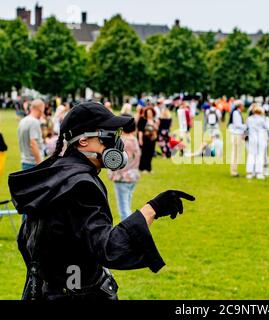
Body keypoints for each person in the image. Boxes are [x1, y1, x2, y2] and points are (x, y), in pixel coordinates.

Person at [8, 101, 195, 300]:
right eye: (108, 136)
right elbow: (109, 248)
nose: (116, 144)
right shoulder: (80, 185)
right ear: (83, 141)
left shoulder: (56, 174)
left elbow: (26, 241)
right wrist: (153, 208)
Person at [108, 118, 141, 221]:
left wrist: (113, 173)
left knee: (124, 209)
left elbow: (115, 159)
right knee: (127, 204)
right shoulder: (134, 139)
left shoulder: (121, 141)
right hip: (133, 175)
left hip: (122, 177)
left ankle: (128, 232)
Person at [18, 99, 45, 171]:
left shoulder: (22, 121)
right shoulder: (34, 122)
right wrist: (40, 164)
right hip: (33, 164)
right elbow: (33, 143)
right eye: (43, 111)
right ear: (40, 109)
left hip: (25, 161)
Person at [246, 105, 269, 179]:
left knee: (251, 155)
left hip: (252, 139)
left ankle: (250, 173)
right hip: (261, 139)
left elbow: (246, 128)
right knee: (260, 156)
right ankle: (259, 172)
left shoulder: (249, 119)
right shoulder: (262, 119)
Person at [138, 107, 159, 173]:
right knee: (144, 153)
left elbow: (157, 130)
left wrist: (155, 126)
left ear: (153, 113)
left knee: (150, 153)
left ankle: (149, 168)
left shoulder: (155, 121)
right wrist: (140, 140)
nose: (149, 114)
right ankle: (143, 168)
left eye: (150, 113)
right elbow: (140, 131)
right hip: (145, 139)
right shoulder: (142, 120)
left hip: (152, 139)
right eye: (148, 113)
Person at [228, 100, 246, 177]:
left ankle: (234, 170)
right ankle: (233, 171)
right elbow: (237, 124)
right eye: (242, 105)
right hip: (236, 134)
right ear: (239, 106)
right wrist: (246, 126)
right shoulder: (236, 113)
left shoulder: (236, 112)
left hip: (236, 134)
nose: (243, 107)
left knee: (235, 153)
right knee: (235, 153)